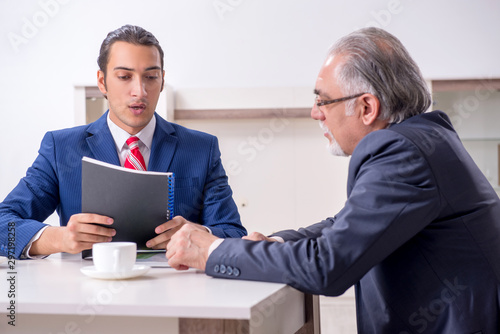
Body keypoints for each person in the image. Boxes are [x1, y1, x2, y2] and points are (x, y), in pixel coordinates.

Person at [165, 27, 500, 332]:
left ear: (367, 107)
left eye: (323, 99)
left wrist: (213, 251)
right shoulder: (422, 138)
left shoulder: (401, 152)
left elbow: (328, 265)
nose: (315, 112)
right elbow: (344, 225)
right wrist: (276, 243)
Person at [0, 25, 246, 260]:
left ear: (162, 81)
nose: (139, 91)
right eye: (124, 76)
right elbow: (3, 223)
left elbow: (233, 233)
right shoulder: (61, 148)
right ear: (102, 82)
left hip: (175, 290)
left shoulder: (201, 149)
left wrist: (199, 234)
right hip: (86, 290)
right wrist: (59, 238)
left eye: (151, 76)